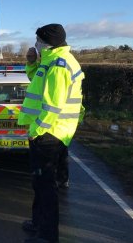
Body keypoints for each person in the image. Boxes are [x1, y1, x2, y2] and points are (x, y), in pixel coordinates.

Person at [18, 23, 85, 243]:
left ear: (47, 43)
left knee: (46, 187)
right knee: (39, 182)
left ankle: (47, 237)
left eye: (37, 40)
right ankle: (38, 224)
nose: (35, 44)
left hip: (49, 134)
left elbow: (52, 106)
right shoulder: (51, 61)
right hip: (54, 132)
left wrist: (36, 132)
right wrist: (31, 64)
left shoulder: (58, 65)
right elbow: (37, 84)